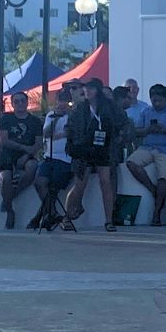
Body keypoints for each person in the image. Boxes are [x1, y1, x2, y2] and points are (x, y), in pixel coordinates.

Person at [127, 83, 166, 225]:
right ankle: (152, 189)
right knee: (131, 163)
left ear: (165, 98)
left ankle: (156, 213)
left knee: (163, 177)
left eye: (159, 101)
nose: (156, 104)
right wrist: (148, 130)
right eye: (153, 100)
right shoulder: (146, 112)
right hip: (148, 147)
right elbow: (137, 131)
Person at [63, 78, 118, 231]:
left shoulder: (108, 106)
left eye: (91, 88)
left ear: (98, 90)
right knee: (79, 185)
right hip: (84, 150)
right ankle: (66, 218)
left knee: (106, 183)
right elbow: (70, 128)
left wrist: (117, 139)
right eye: (86, 88)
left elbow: (121, 123)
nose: (87, 91)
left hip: (103, 149)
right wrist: (74, 144)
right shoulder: (80, 108)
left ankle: (109, 220)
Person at [0, 91, 43, 229]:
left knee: (32, 168)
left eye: (23, 100)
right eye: (16, 101)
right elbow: (4, 141)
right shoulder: (6, 119)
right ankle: (10, 210)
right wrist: (24, 148)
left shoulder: (34, 121)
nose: (20, 103)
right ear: (12, 104)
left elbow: (38, 143)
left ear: (27, 102)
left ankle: (9, 198)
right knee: (5, 178)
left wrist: (27, 154)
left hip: (27, 156)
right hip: (8, 155)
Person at [31, 88, 74, 229]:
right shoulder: (51, 115)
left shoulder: (73, 116)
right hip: (49, 156)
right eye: (60, 100)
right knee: (39, 182)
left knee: (53, 187)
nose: (62, 103)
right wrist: (56, 119)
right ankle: (53, 213)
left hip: (65, 158)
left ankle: (41, 217)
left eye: (65, 100)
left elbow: (71, 134)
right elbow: (47, 134)